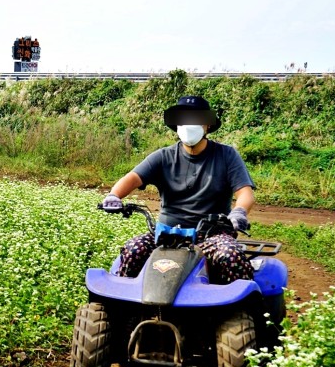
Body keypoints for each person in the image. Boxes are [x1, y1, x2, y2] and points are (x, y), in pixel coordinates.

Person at [101, 95, 255, 284]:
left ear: (207, 125)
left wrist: (239, 212)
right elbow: (132, 178)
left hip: (212, 235)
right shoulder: (163, 156)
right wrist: (113, 195)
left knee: (231, 256)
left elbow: (245, 192)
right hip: (166, 235)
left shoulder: (226, 155)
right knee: (134, 249)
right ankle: (122, 308)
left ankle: (245, 309)